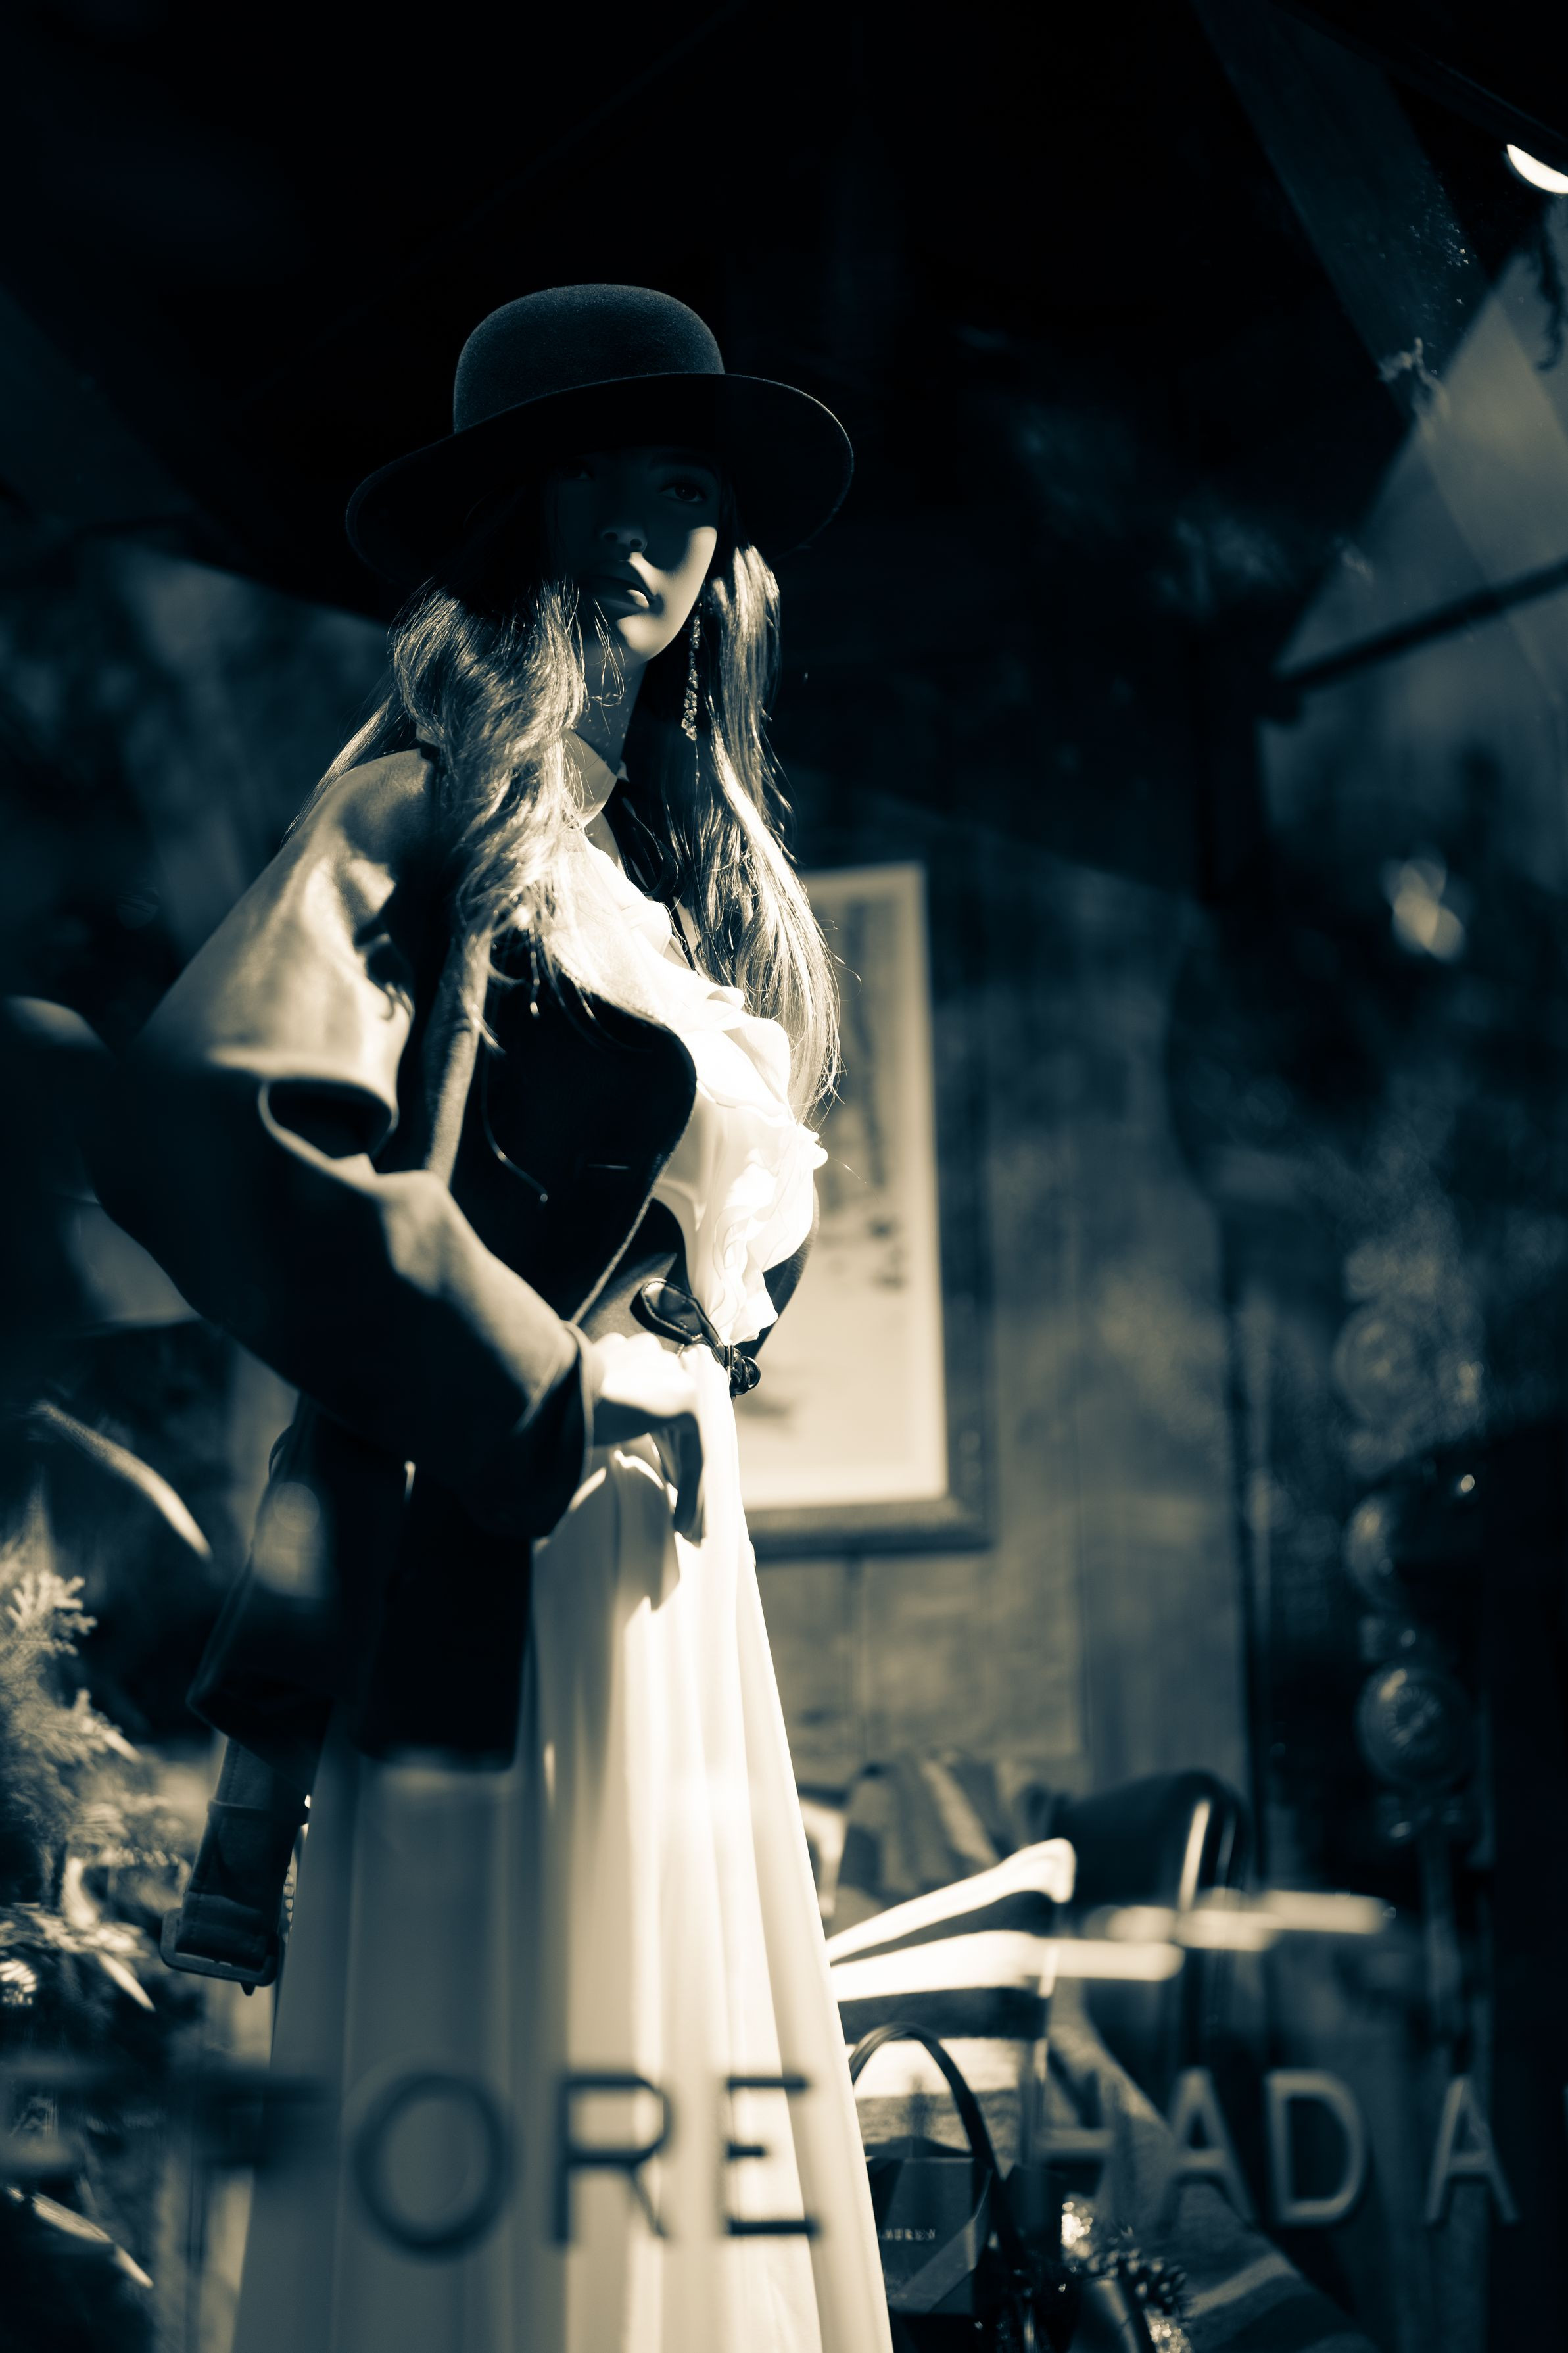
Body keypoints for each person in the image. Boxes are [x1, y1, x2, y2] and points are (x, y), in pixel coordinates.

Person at [87, 285, 892, 2353]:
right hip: (504, 1582)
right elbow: (195, 1108)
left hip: (667, 1594)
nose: (642, 532)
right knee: (535, 2140)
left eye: (683, 487)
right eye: (591, 479)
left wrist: (669, 1365)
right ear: (514, 511)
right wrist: (544, 1385)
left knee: (657, 2135)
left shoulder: (663, 879)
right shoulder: (434, 799)